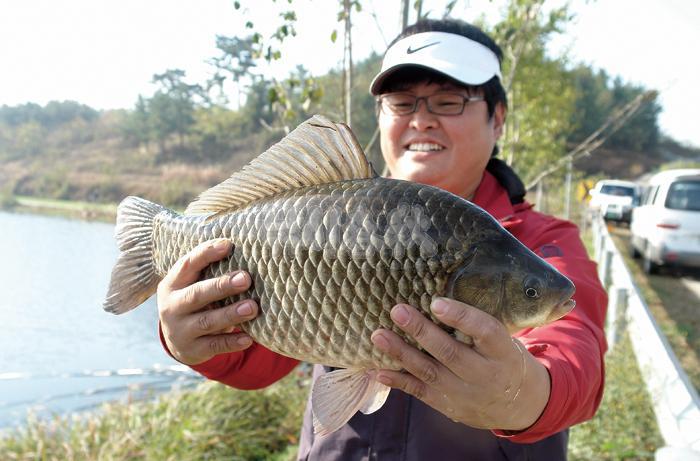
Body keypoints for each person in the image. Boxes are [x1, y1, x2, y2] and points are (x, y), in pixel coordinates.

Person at [157, 18, 608, 460]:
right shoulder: (328, 216)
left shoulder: (543, 242)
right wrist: (193, 341)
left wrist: (521, 395)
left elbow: (575, 353)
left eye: (448, 101)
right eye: (402, 102)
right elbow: (258, 361)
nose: (422, 120)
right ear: (380, 116)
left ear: (498, 118)